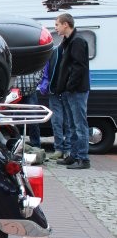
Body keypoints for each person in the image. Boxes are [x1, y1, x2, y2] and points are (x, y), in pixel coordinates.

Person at [54, 13, 91, 169]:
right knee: (72, 126)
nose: (55, 28)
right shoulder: (69, 41)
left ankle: (83, 158)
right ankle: (74, 156)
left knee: (79, 125)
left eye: (57, 24)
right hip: (70, 91)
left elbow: (79, 67)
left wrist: (70, 86)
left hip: (76, 91)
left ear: (65, 24)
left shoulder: (77, 41)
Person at [39, 47, 71, 160]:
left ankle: (68, 149)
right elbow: (46, 71)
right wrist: (44, 86)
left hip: (68, 92)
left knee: (68, 122)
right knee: (57, 121)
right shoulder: (54, 52)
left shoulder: (72, 52)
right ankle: (59, 149)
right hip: (54, 92)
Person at [13, 70, 43, 149]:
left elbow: (40, 68)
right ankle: (15, 146)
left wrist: (35, 81)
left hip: (30, 92)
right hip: (14, 92)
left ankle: (36, 147)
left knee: (34, 120)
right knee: (12, 121)